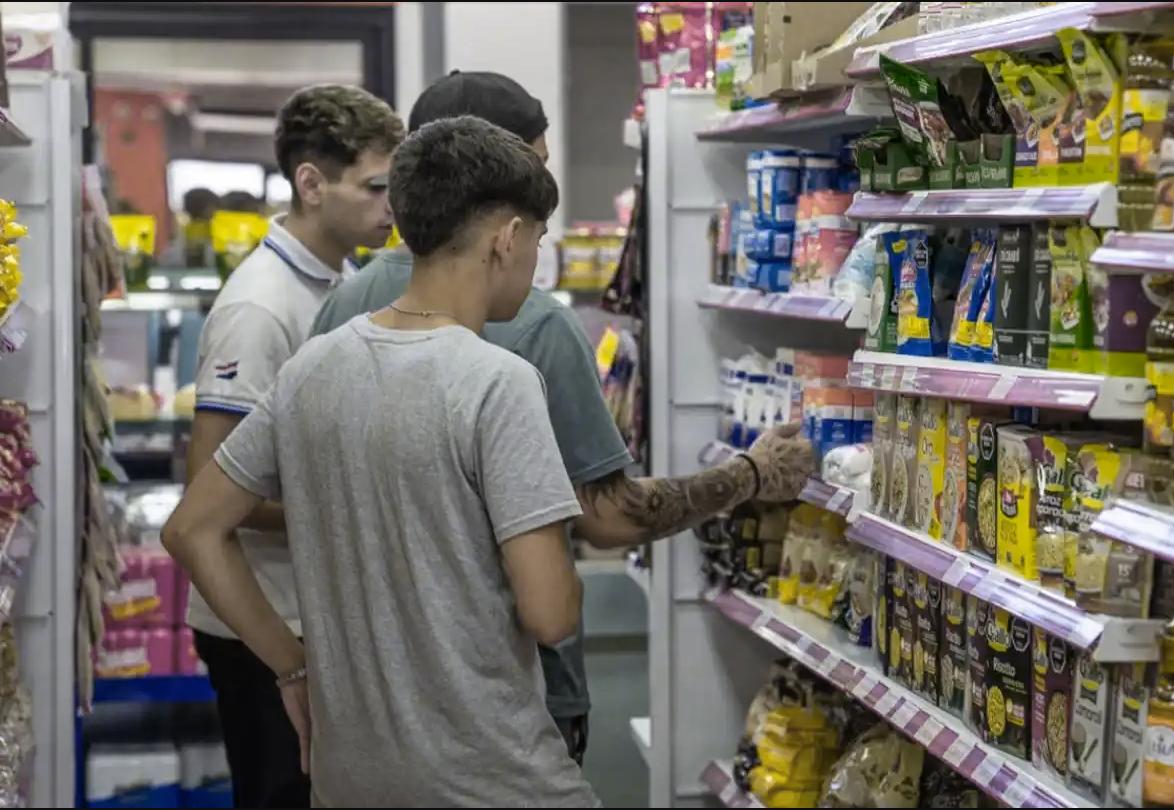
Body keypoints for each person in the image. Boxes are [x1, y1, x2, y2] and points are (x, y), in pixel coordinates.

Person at [310, 72, 815, 764]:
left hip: (366, 700)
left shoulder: (344, 308)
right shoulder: (534, 325)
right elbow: (606, 518)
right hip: (510, 703)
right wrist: (749, 475)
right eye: (537, 167)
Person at [163, 115, 596, 806]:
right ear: (507, 238)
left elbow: (191, 529)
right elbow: (550, 614)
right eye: (538, 241)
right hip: (493, 778)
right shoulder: (498, 381)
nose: (534, 260)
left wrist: (291, 667)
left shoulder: (312, 366)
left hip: (349, 779)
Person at [184, 84, 404, 808]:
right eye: (375, 187)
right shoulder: (261, 307)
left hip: (315, 616)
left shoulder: (343, 281)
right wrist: (355, 509)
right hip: (266, 629)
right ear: (311, 183)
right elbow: (211, 494)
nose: (392, 206)